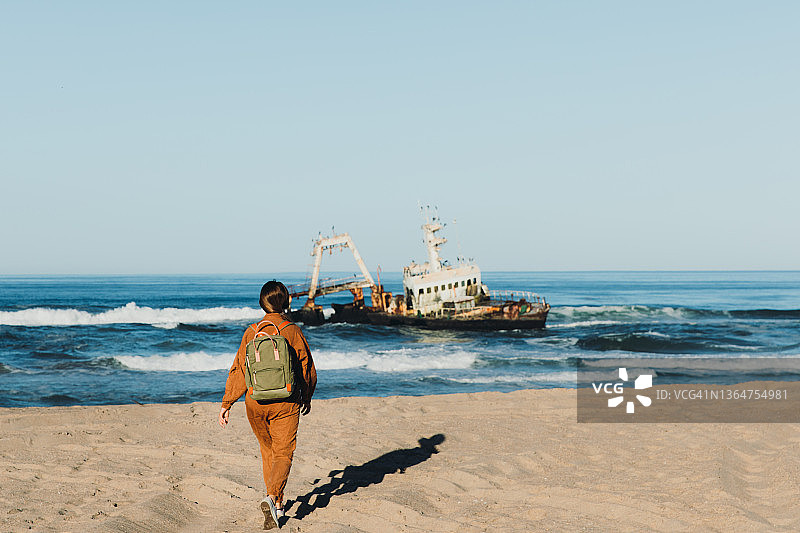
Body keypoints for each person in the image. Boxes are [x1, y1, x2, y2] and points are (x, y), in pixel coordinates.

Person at [219, 280, 317, 529]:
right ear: (287, 302)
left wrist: (227, 403)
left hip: (255, 401)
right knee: (283, 453)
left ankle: (279, 505)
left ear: (261, 303)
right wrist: (306, 395)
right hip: (285, 401)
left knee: (268, 451)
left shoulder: (252, 332)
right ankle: (273, 497)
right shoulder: (291, 330)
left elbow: (239, 369)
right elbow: (307, 367)